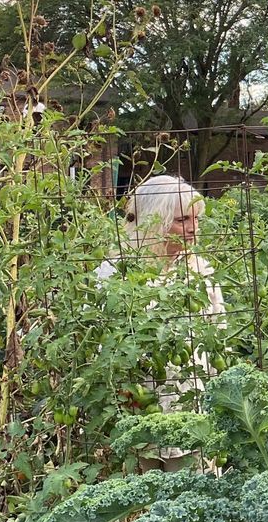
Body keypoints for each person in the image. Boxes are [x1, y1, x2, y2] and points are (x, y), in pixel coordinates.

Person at [97, 173, 226, 411]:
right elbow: (100, 346)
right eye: (183, 220)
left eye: (196, 219)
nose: (193, 229)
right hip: (140, 404)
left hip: (195, 401)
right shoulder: (117, 273)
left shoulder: (200, 270)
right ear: (154, 221)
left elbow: (218, 334)